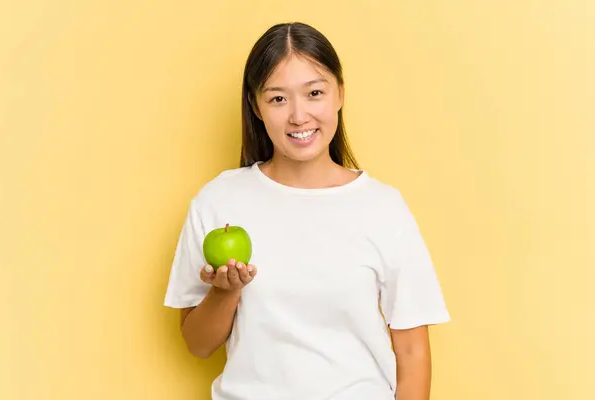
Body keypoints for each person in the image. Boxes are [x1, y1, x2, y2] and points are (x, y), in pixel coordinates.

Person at [164, 21, 450, 400]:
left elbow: (412, 351)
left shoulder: (383, 208)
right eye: (278, 99)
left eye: (314, 93)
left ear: (340, 94)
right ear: (256, 105)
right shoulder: (219, 201)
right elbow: (198, 345)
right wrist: (224, 292)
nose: (299, 116)